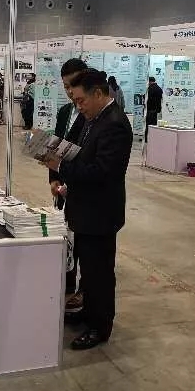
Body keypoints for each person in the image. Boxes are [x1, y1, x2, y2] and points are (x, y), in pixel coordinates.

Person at [44, 68, 133, 350]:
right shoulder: (92, 118)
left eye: (81, 100)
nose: (78, 106)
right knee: (88, 271)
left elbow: (101, 172)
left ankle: (100, 326)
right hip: (84, 209)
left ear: (98, 93)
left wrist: (60, 166)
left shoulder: (115, 124)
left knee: (100, 273)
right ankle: (89, 313)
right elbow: (77, 153)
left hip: (100, 213)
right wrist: (61, 176)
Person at [49, 58, 89, 314]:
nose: (69, 91)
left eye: (73, 84)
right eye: (65, 86)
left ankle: (84, 291)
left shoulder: (93, 113)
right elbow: (56, 146)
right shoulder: (65, 111)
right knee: (66, 238)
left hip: (83, 186)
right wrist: (53, 178)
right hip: (63, 185)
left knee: (84, 243)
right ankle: (67, 286)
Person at [145, 77, 163, 141]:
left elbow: (147, 99)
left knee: (148, 124)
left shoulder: (150, 89)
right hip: (156, 109)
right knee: (154, 124)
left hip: (150, 109)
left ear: (149, 81)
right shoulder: (159, 88)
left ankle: (147, 138)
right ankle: (153, 138)